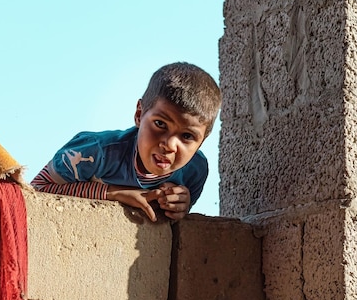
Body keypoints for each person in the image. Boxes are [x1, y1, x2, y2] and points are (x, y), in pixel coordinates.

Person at [31, 62, 221, 222]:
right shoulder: (92, 153)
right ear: (139, 114)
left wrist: (180, 205)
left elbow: (174, 223)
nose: (170, 145)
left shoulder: (194, 170)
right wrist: (113, 193)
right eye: (160, 124)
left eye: (187, 136)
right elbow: (36, 189)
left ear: (202, 141)